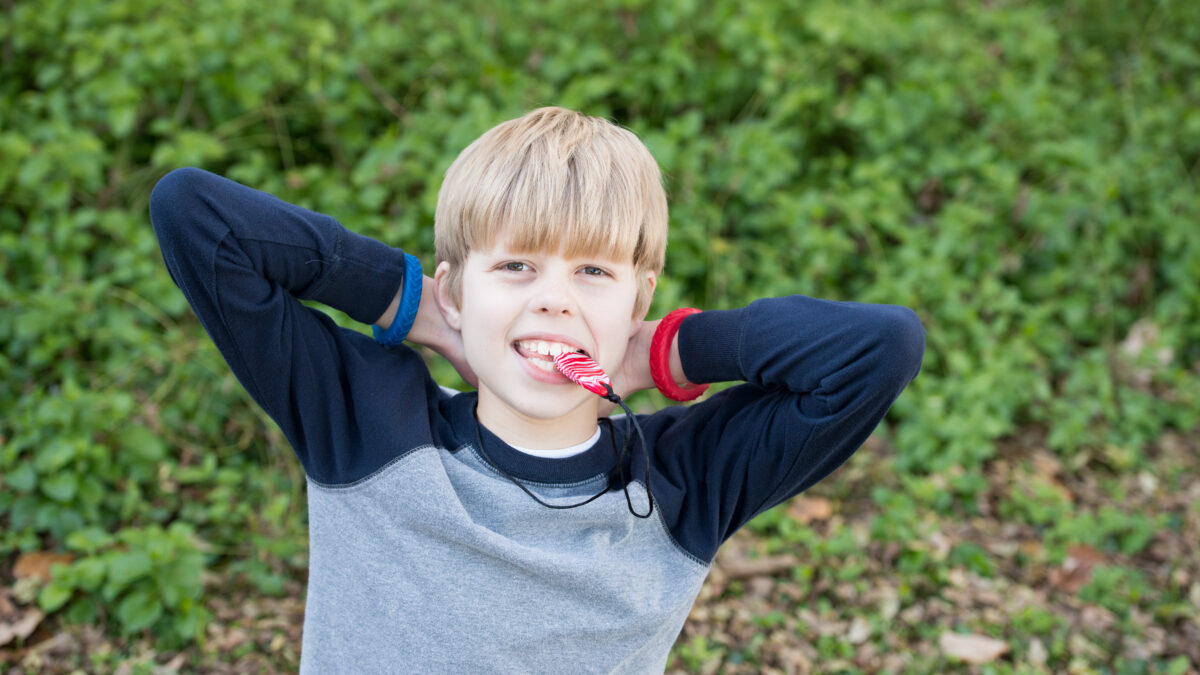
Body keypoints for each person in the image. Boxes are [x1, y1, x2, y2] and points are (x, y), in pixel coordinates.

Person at [148, 106, 924, 673]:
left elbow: (878, 347)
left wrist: (664, 352)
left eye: (592, 272)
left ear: (638, 296)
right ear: (461, 289)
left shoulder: (683, 480)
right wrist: (420, 309)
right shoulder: (366, 419)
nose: (554, 298)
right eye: (516, 266)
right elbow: (198, 216)